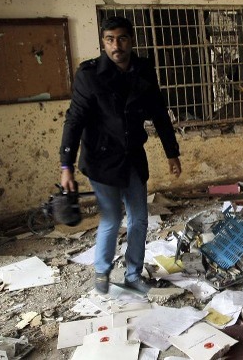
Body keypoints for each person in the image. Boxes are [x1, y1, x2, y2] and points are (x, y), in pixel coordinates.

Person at [59, 16, 182, 294]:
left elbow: (159, 113)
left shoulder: (143, 70)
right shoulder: (89, 75)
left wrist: (171, 153)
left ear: (131, 40)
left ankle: (133, 274)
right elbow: (74, 120)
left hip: (132, 158)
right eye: (110, 39)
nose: (117, 46)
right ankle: (102, 273)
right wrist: (65, 164)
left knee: (139, 219)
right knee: (112, 218)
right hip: (101, 160)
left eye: (122, 38)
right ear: (103, 42)